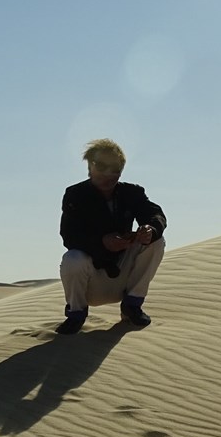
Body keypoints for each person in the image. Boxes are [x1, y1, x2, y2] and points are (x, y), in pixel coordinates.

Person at [57, 138, 167, 335]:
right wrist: (102, 243)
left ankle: (132, 306)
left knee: (156, 241)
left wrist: (150, 228)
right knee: (72, 259)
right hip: (92, 277)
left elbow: (155, 213)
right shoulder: (76, 195)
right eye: (101, 166)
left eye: (114, 168)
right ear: (90, 166)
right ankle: (76, 315)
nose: (108, 174)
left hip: (122, 271)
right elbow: (70, 235)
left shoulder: (131, 192)